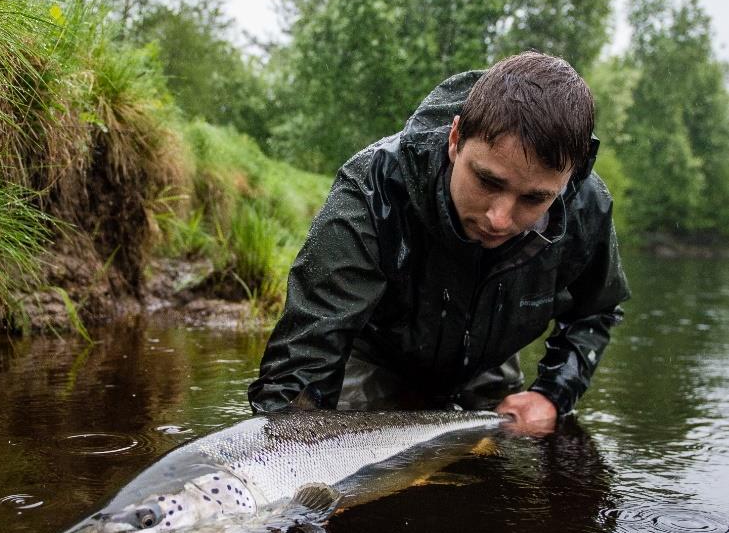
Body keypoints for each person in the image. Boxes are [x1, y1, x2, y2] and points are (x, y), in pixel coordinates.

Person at [248, 51, 629, 433]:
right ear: (455, 138)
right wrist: (280, 447)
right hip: (378, 358)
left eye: (534, 199)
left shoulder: (586, 207)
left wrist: (553, 392)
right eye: (487, 181)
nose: (499, 218)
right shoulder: (372, 190)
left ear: (566, 182)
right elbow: (304, 361)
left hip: (487, 361)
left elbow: (596, 309)